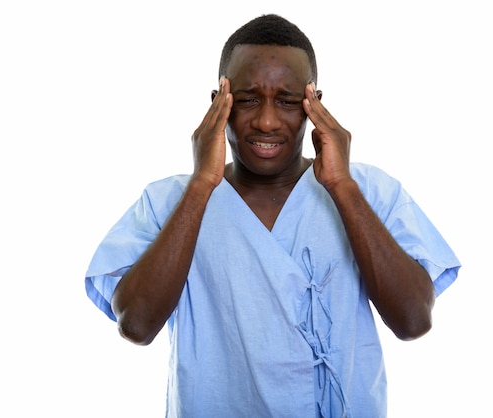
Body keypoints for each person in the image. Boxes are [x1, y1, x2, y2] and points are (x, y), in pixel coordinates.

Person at [84, 13, 460, 418]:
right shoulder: (168, 200)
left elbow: (414, 320)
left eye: (287, 101)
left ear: (313, 105)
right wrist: (201, 185)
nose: (266, 120)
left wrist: (342, 186)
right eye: (246, 100)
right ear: (219, 105)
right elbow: (136, 325)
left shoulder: (369, 191)